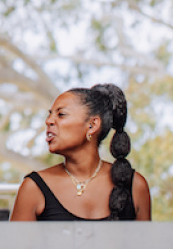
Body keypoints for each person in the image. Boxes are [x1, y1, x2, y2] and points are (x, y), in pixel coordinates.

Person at [10, 83, 151, 221]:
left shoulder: (136, 186)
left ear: (92, 125)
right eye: (50, 115)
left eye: (61, 114)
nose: (48, 121)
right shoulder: (33, 188)